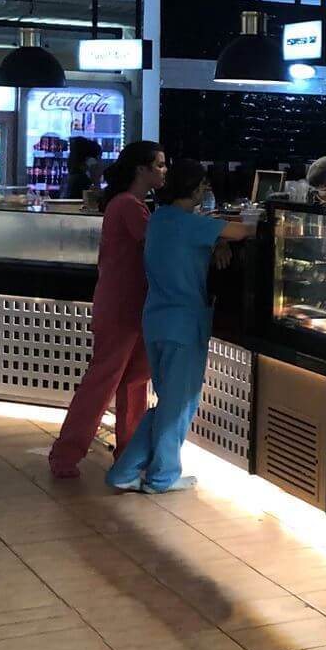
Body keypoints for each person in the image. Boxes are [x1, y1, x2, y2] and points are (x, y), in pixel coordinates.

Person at [105, 161, 252, 494]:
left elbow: (203, 237)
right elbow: (244, 232)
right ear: (197, 189)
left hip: (157, 320)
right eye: (204, 187)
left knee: (169, 402)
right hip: (184, 324)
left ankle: (125, 471)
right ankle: (162, 476)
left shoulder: (159, 219)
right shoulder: (190, 224)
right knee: (179, 405)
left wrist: (216, 240)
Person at [48, 142, 166, 478]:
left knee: (132, 381)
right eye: (159, 165)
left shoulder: (130, 204)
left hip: (131, 304)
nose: (164, 171)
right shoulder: (129, 205)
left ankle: (128, 455)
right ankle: (66, 454)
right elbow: (158, 245)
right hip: (123, 306)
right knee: (105, 382)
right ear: (141, 169)